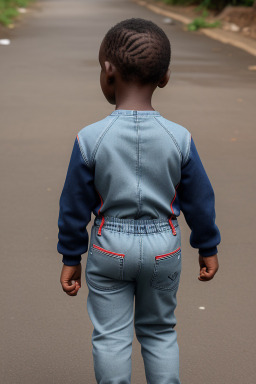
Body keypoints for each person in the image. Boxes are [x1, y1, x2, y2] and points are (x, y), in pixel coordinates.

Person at [57, 18, 220, 384]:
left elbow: (73, 207)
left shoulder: (90, 139)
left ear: (107, 71)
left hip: (109, 247)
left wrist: (71, 256)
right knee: (160, 332)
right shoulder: (179, 138)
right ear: (164, 77)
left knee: (111, 337)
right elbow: (199, 200)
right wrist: (207, 246)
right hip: (164, 246)